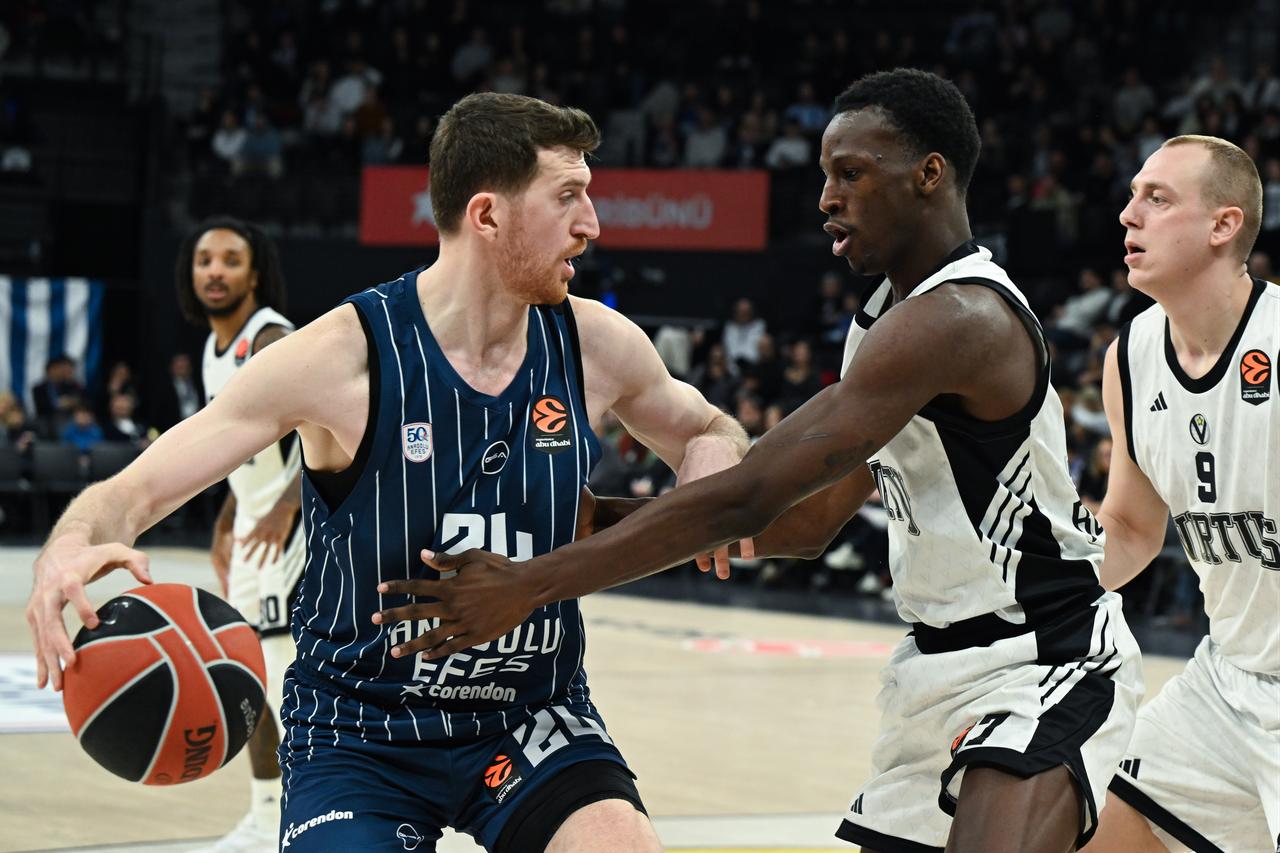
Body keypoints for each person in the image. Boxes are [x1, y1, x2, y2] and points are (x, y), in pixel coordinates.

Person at [393, 69, 1143, 853]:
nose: (825, 198)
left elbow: (748, 495)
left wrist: (529, 584)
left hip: (1045, 655)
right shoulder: (884, 324)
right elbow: (809, 520)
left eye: (850, 173)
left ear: (930, 175)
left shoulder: (960, 318)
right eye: (825, 175)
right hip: (937, 668)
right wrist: (604, 516)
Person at [26, 92, 748, 852]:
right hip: (358, 731)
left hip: (529, 717)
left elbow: (709, 422)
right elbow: (136, 488)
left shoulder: (596, 343)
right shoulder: (340, 357)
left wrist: (708, 461)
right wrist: (67, 548)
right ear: (488, 215)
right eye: (568, 197)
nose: (591, 224)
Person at [1081, 136, 1278, 852]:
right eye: (1133, 196)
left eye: (1157, 199)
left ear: (1225, 225)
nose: (1129, 215)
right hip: (1227, 683)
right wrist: (1026, 598)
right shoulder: (1130, 356)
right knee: (1082, 813)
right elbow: (1131, 528)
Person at [172, 216, 302, 852]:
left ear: (254, 273)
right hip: (252, 527)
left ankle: (302, 818)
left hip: (298, 527)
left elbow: (336, 425)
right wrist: (228, 519)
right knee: (248, 676)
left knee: (282, 677)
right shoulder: (211, 350)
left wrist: (286, 505)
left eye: (229, 260)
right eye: (204, 260)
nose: (214, 271)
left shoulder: (271, 335)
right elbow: (240, 451)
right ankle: (265, 813)